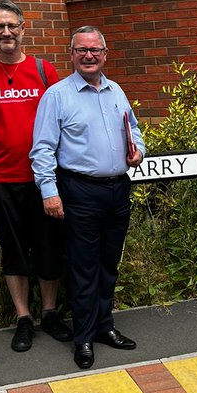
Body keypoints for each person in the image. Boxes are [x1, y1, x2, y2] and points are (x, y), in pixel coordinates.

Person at [30, 25, 145, 370]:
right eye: (82, 50)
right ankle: (83, 338)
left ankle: (104, 326)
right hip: (79, 191)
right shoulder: (57, 96)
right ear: (72, 54)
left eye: (95, 50)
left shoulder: (115, 91)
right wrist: (49, 192)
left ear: (105, 54)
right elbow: (42, 150)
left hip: (117, 188)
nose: (89, 56)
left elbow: (134, 128)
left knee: (109, 264)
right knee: (83, 267)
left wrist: (138, 150)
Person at [0, 0, 72, 353]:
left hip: (45, 179)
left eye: (12, 26)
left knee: (48, 247)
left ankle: (50, 313)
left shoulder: (45, 71)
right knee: (13, 251)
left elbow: (61, 122)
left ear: (24, 29)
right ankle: (23, 317)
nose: (6, 32)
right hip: (2, 178)